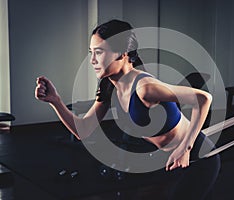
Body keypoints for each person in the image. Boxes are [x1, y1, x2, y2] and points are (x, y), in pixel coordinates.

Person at [35, 19, 220, 200]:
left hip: (199, 158)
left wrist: (184, 148)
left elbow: (204, 98)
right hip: (172, 162)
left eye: (99, 52)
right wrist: (55, 101)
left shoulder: (144, 88)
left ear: (123, 53)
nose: (92, 60)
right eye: (91, 52)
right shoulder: (109, 86)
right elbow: (83, 130)